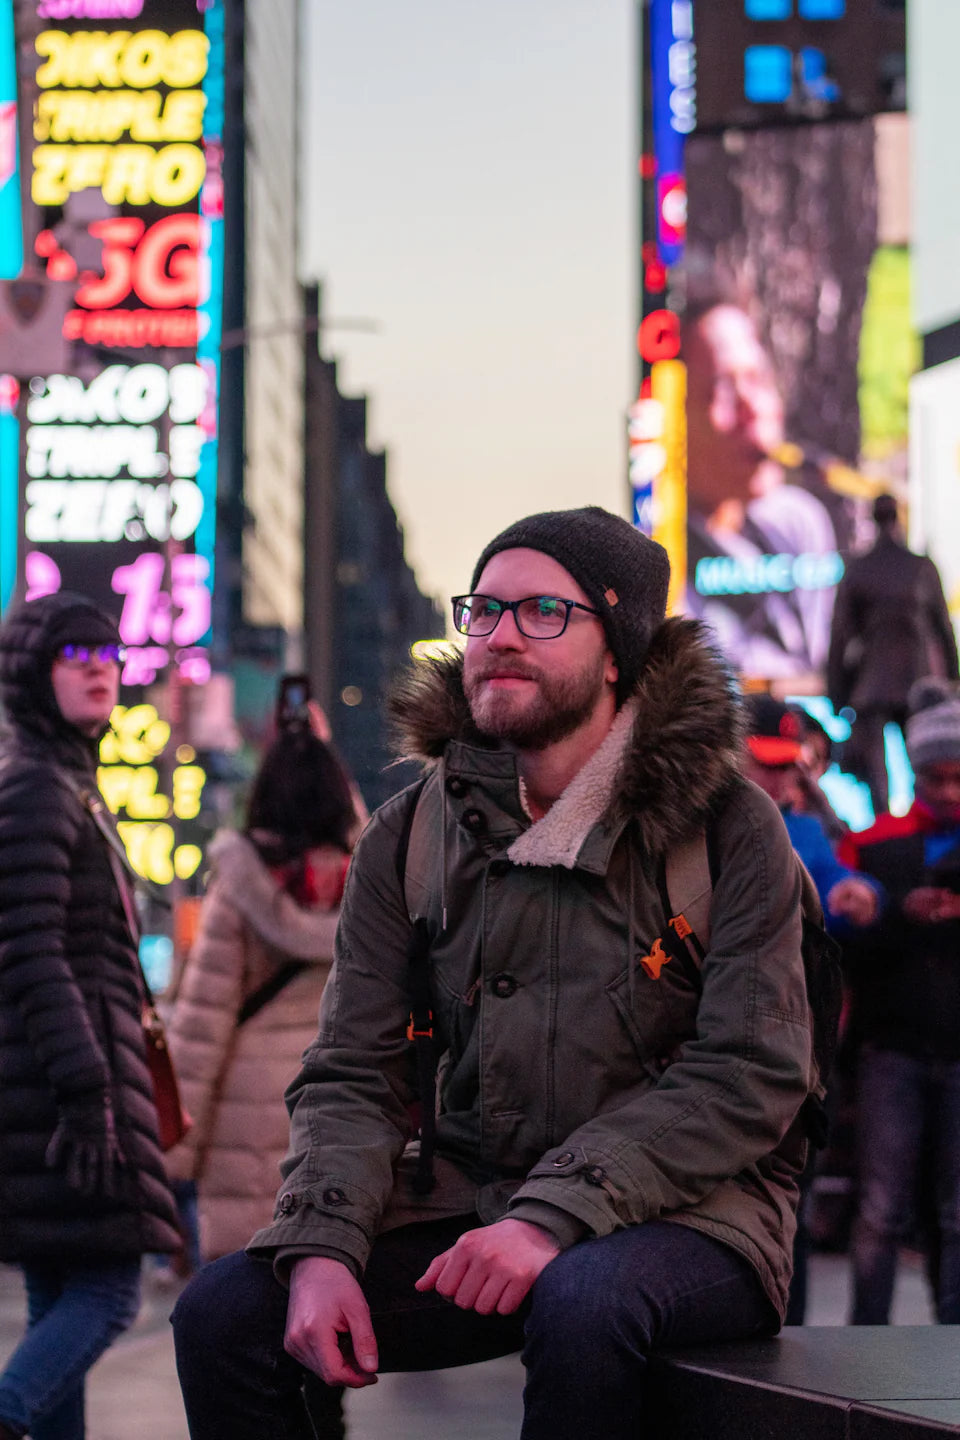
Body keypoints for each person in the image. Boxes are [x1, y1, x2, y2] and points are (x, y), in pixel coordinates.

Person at [172, 506, 815, 1440]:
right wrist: (320, 1241)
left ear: (618, 653)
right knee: (228, 1314)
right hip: (468, 1201)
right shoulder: (408, 834)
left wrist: (554, 1215)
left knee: (587, 1304)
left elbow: (752, 1071)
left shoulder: (728, 825)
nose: (500, 636)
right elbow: (354, 1067)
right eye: (484, 610)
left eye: (543, 612)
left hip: (697, 1211)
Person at [0, 591, 180, 1440]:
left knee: (57, 1302)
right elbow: (30, 950)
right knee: (109, 1293)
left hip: (54, 1092)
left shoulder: (68, 784)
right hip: (70, 1096)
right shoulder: (39, 790)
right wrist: (85, 1087)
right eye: (75, 657)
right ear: (33, 673)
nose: (100, 670)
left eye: (108, 656)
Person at [163, 722, 361, 1262]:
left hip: (240, 1121)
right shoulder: (372, 883)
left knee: (239, 1304)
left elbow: (201, 1029)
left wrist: (172, 1155)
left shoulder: (239, 889)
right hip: (340, 1105)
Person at [741, 694, 880, 1323]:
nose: (781, 777)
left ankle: (782, 1342)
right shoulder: (692, 825)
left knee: (787, 1203)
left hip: (796, 1048)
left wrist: (860, 894)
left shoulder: (803, 827)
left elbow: (832, 880)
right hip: (722, 1042)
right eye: (764, 764)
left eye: (787, 765)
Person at [838, 677, 960, 1325]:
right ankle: (865, 1341)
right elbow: (847, 950)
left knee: (955, 1213)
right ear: (915, 773)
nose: (948, 793)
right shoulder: (877, 845)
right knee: (881, 1211)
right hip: (892, 1052)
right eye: (935, 778)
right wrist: (899, 915)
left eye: (958, 778)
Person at [683, 299, 844, 680]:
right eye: (721, 390)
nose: (751, 407)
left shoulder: (797, 520)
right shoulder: (660, 556)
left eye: (758, 379)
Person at [828, 493, 959, 814]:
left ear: (873, 519)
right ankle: (912, 830)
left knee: (879, 784)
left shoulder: (859, 569)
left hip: (872, 686)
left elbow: (839, 640)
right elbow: (944, 631)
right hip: (917, 681)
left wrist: (838, 696)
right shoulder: (920, 567)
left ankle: (886, 836)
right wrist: (953, 688)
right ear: (897, 518)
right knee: (923, 766)